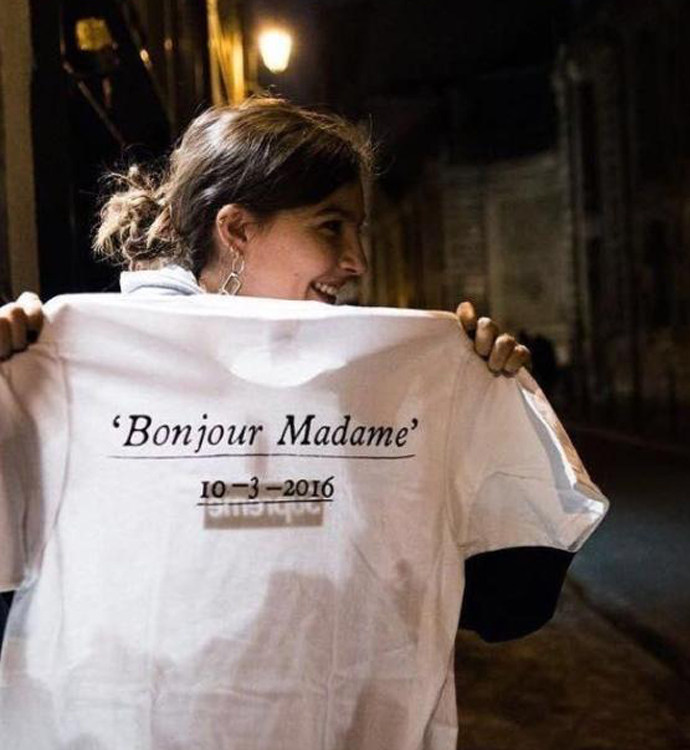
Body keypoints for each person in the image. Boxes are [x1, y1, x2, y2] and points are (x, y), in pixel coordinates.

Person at [0, 95, 606, 748]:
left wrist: (480, 393)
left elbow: (511, 601)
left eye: (358, 230)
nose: (357, 261)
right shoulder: (79, 361)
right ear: (237, 230)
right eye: (331, 226)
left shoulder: (391, 383)